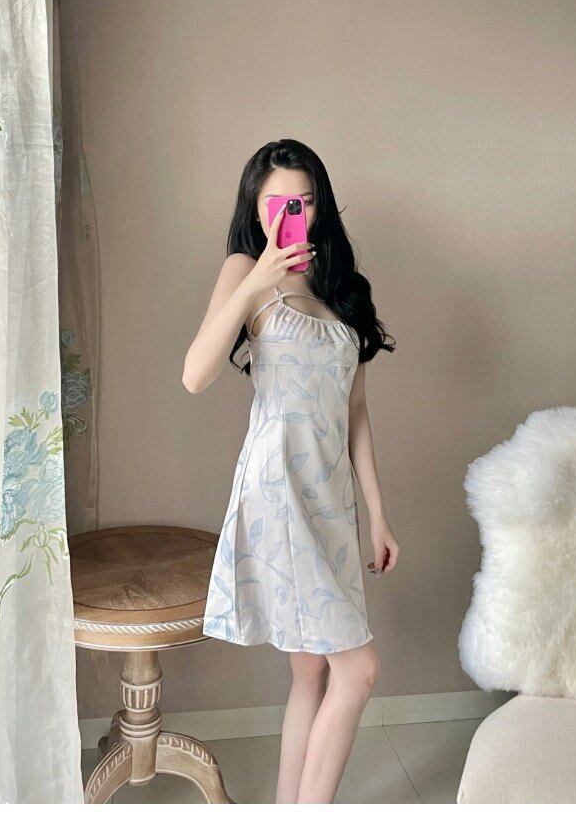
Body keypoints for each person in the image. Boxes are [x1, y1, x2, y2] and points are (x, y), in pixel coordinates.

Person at [182, 138, 399, 803]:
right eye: (276, 202)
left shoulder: (343, 287)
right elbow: (195, 375)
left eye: (302, 201)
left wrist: (377, 516)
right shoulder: (244, 269)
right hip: (278, 494)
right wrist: (257, 279)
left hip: (330, 501)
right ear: (256, 208)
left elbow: (354, 410)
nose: (289, 213)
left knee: (311, 674)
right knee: (358, 670)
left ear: (319, 206)